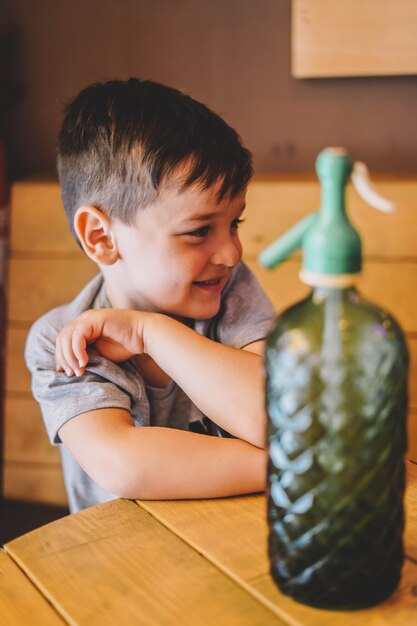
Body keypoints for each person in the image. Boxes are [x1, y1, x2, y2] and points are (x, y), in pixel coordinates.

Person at [25, 78, 275, 513]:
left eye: (235, 224)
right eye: (200, 231)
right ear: (101, 237)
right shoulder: (61, 342)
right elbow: (122, 464)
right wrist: (292, 465)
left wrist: (150, 332)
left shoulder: (230, 288)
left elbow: (276, 416)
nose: (231, 253)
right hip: (126, 564)